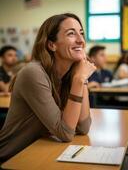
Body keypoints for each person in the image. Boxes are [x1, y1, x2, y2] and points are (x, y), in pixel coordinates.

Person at [0, 13, 96, 162]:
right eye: (71, 34)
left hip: (38, 152)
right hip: (11, 158)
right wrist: (79, 80)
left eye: (81, 33)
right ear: (52, 44)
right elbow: (65, 133)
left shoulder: (70, 75)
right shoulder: (33, 73)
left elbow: (83, 127)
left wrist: (81, 79)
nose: (81, 40)